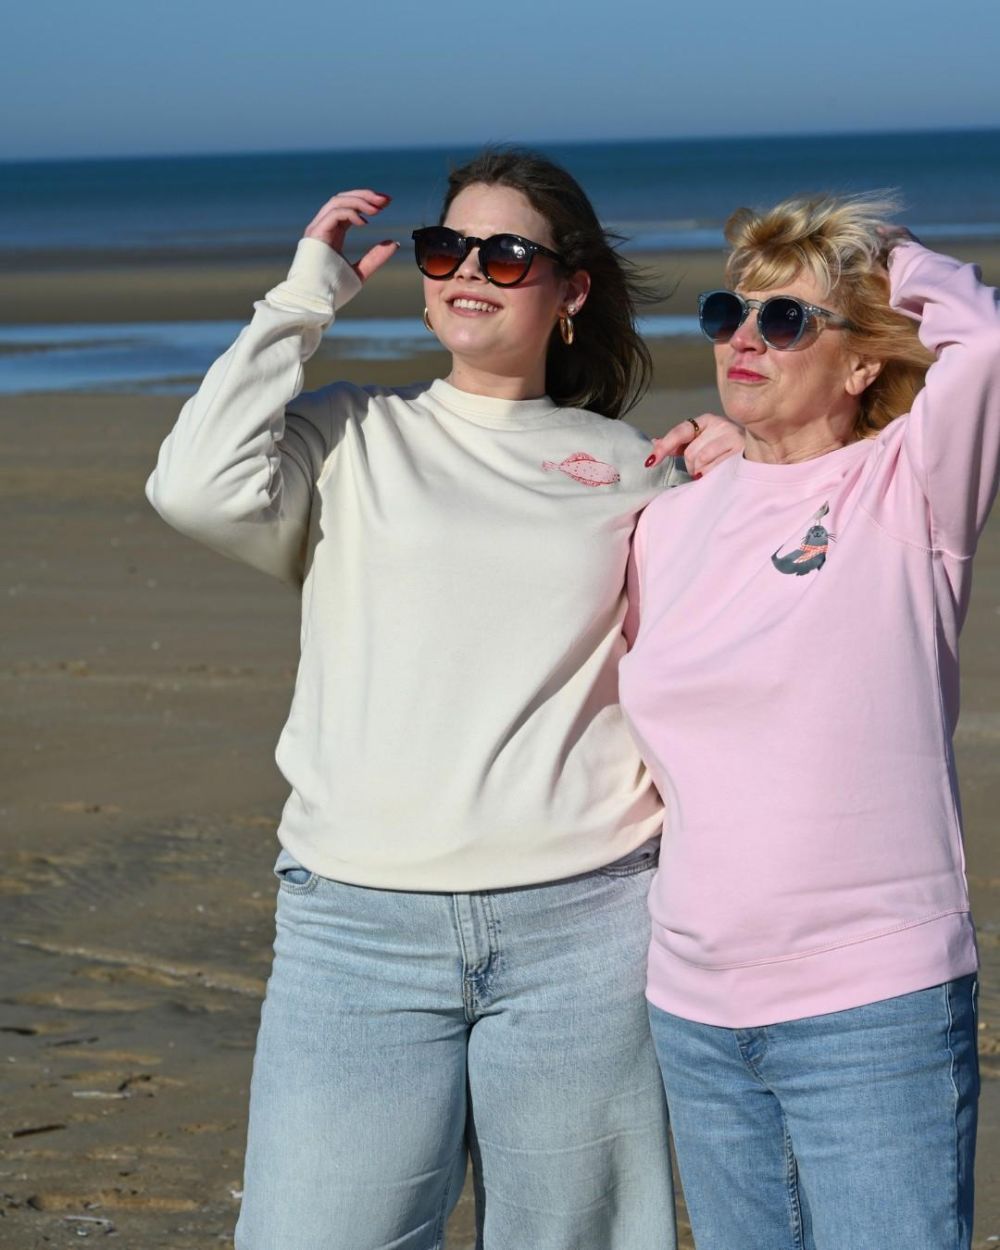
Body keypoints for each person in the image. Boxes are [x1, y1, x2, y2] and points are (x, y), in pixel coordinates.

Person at [146, 147, 739, 1250]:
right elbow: (191, 486)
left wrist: (749, 462)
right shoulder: (350, 432)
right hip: (355, 928)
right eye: (445, 247)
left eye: (506, 253)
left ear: (571, 291)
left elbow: (731, 650)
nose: (469, 268)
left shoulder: (633, 465)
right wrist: (301, 299)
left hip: (587, 926)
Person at [623, 193, 1000, 1249]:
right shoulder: (667, 521)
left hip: (870, 1008)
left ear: (861, 362)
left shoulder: (909, 487)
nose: (743, 339)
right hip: (694, 1009)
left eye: (785, 320)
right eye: (728, 313)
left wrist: (881, 252)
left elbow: (985, 342)